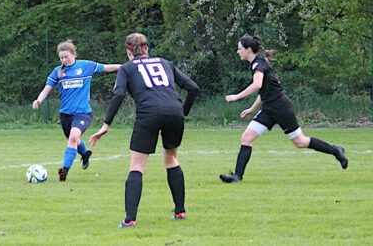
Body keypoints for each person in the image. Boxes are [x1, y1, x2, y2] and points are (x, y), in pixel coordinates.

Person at [89, 33, 199, 228]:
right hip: (174, 111)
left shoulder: (127, 68)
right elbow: (193, 87)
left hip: (148, 113)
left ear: (128, 51)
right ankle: (180, 211)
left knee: (137, 166)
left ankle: (130, 219)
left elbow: (119, 94)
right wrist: (183, 112)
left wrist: (106, 124)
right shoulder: (166, 63)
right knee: (172, 159)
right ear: (147, 48)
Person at [219, 35, 348, 183]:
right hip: (269, 109)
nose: (238, 51)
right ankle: (237, 176)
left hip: (281, 108)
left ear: (248, 49)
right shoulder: (258, 63)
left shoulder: (258, 63)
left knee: (300, 142)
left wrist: (237, 97)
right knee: (247, 138)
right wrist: (252, 109)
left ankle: (335, 150)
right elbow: (264, 92)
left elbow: (257, 85)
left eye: (240, 48)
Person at [32, 40, 121, 181]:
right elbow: (47, 88)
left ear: (74, 54)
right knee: (74, 140)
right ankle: (85, 154)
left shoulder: (86, 66)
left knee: (73, 138)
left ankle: (64, 171)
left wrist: (126, 67)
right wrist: (39, 100)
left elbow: (106, 68)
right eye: (61, 58)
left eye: (66, 57)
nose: (64, 60)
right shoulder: (58, 72)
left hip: (83, 113)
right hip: (65, 115)